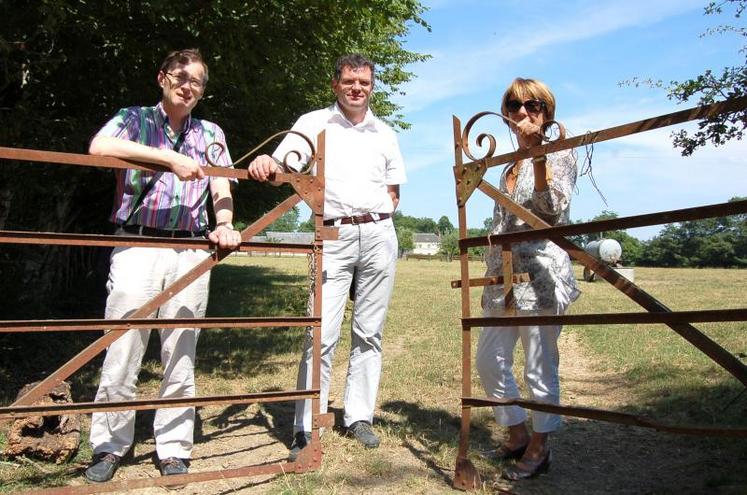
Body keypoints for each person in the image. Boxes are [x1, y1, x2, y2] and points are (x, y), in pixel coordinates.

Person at [84, 48, 242, 483]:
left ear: (202, 91)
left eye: (197, 81)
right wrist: (168, 159)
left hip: (191, 249)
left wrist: (225, 223)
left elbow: (222, 183)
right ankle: (109, 446)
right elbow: (99, 146)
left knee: (180, 350)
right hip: (137, 245)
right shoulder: (134, 119)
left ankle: (173, 449)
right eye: (180, 76)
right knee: (123, 344)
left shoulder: (211, 131)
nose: (187, 85)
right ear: (162, 78)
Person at [248, 53, 406, 460]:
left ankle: (359, 417)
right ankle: (305, 423)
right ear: (335, 84)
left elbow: (394, 190)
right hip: (331, 233)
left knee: (370, 332)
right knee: (319, 331)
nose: (358, 88)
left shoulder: (384, 133)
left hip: (377, 234)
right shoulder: (313, 123)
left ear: (372, 86)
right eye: (350, 81)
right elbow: (285, 162)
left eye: (365, 82)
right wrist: (268, 161)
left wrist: (378, 218)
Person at [475, 78, 579, 480]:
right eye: (514, 105)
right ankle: (517, 433)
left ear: (547, 112)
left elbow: (551, 209)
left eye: (532, 105)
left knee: (539, 365)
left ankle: (540, 446)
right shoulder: (507, 167)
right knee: (488, 360)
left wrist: (538, 156)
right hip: (502, 280)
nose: (523, 112)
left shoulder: (560, 154)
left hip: (540, 277)